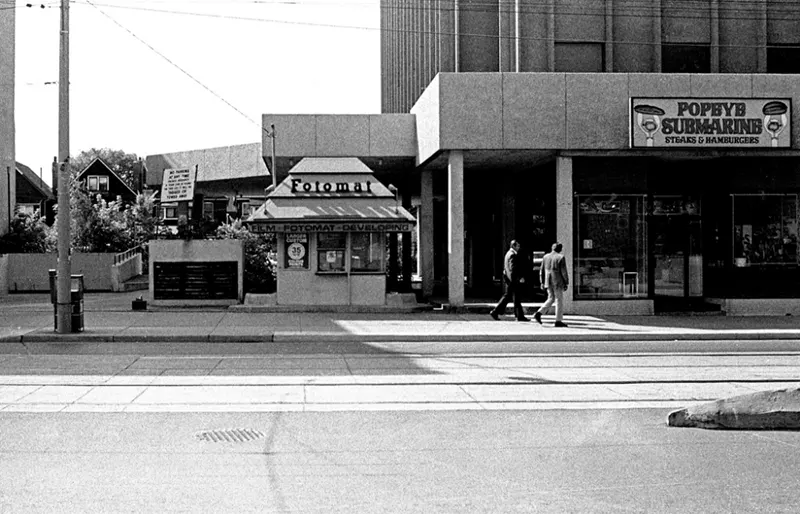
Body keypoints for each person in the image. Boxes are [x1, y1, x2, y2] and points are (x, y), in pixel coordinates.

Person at [490, 240, 530, 322]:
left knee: (511, 297)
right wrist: (517, 279)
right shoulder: (512, 255)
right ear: (513, 246)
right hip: (513, 280)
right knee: (514, 297)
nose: (519, 247)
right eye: (518, 246)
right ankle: (496, 311)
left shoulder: (508, 254)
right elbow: (513, 269)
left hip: (510, 279)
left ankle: (518, 315)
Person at [534, 242, 569, 327]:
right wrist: (566, 282)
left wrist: (542, 281)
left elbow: (541, 270)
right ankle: (558, 320)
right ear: (560, 249)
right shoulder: (560, 257)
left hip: (548, 281)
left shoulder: (546, 257)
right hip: (558, 282)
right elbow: (563, 272)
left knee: (551, 298)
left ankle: (539, 312)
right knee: (559, 300)